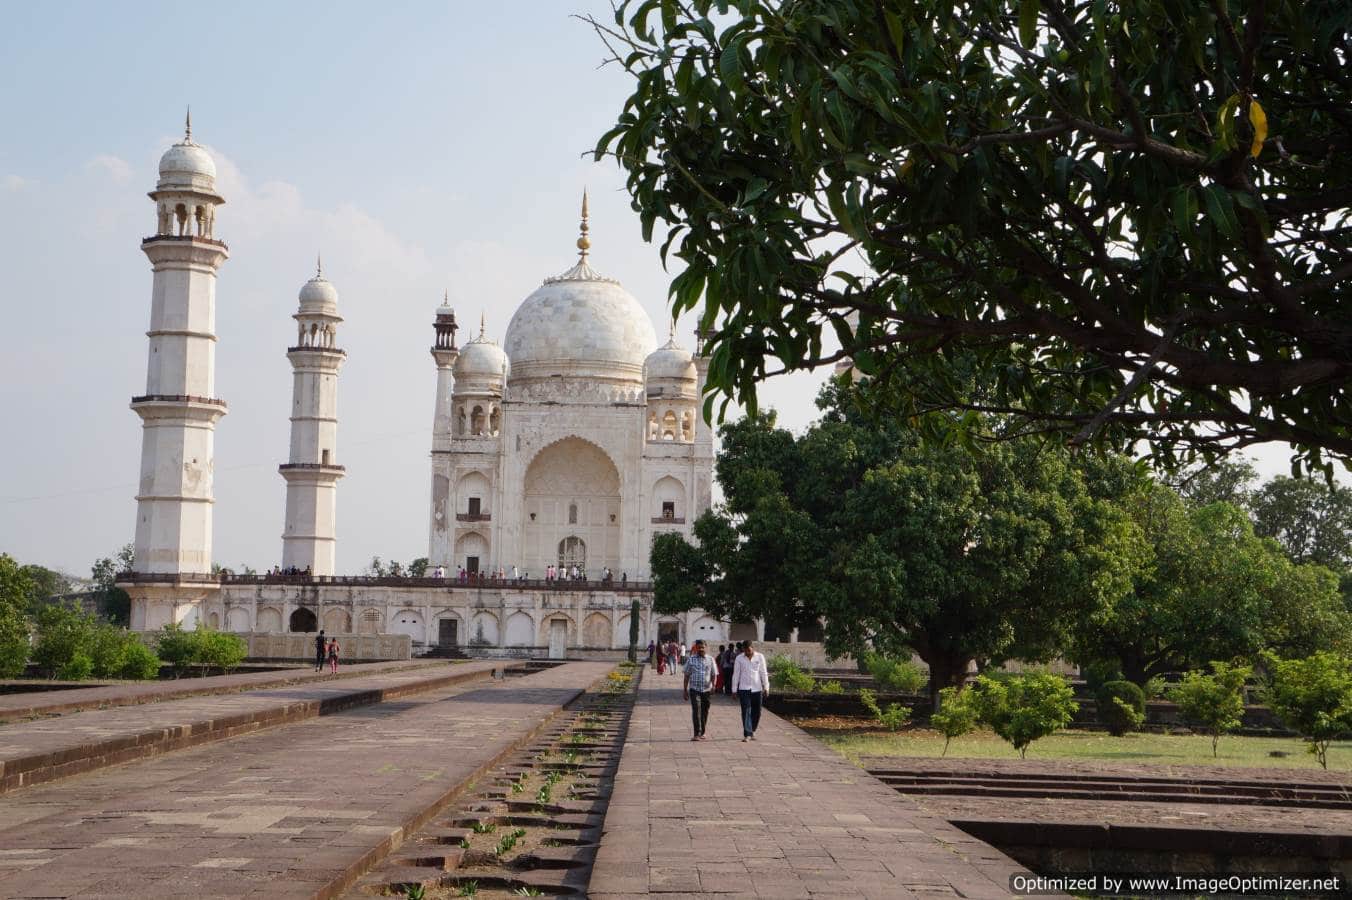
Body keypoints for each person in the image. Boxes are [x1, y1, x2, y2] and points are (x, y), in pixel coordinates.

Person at [732, 640, 770, 741]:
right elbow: (736, 674)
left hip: (757, 688)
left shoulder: (760, 657)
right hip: (744, 688)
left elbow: (763, 672)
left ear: (752, 647)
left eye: (749, 650)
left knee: (757, 712)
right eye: (745, 650)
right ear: (743, 649)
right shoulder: (739, 658)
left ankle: (752, 730)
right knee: (746, 711)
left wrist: (766, 687)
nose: (747, 652)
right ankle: (747, 734)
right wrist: (734, 690)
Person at [683, 640, 717, 741]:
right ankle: (696, 733)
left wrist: (714, 686)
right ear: (696, 648)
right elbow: (686, 675)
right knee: (696, 710)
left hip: (706, 690)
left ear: (706, 647)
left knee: (705, 711)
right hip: (694, 689)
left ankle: (703, 731)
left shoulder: (710, 659)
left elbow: (714, 674)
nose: (701, 649)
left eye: (703, 647)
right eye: (699, 647)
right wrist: (685, 690)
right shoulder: (691, 659)